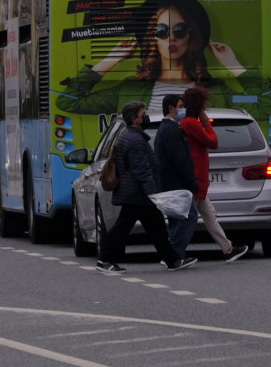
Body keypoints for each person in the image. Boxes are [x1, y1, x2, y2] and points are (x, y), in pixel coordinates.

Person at [58, 0, 271, 120]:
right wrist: (111, 59)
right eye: (162, 31)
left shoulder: (216, 90)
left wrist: (233, 65)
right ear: (153, 37)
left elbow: (267, 105)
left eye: (180, 30)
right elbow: (69, 102)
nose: (171, 38)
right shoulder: (130, 89)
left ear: (191, 35)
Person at [96, 101, 197, 274]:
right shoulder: (135, 140)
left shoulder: (129, 136)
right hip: (137, 192)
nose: (146, 117)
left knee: (156, 226)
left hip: (137, 192)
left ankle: (172, 259)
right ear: (135, 119)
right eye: (144, 115)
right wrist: (151, 189)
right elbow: (141, 168)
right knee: (124, 227)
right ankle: (105, 260)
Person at [179, 85, 249, 263]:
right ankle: (174, 252)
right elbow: (213, 142)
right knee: (188, 218)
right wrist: (206, 123)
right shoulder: (191, 123)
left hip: (196, 176)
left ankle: (228, 249)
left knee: (208, 215)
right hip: (196, 177)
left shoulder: (186, 123)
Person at [153, 93, 199, 257]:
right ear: (171, 108)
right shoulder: (171, 129)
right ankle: (174, 253)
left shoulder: (166, 128)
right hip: (176, 183)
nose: (183, 110)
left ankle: (174, 254)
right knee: (189, 216)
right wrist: (191, 180)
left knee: (176, 218)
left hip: (169, 182)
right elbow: (180, 158)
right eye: (180, 106)